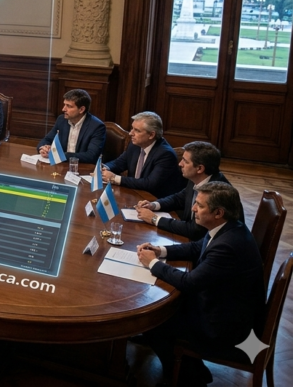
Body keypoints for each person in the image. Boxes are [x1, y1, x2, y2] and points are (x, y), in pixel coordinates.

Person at [136, 182, 263, 385]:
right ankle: (189, 370)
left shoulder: (227, 246)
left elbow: (190, 282)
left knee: (156, 322)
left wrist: (152, 263)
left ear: (218, 212)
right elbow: (197, 248)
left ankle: (189, 377)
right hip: (222, 305)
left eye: (200, 205)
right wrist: (160, 251)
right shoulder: (228, 228)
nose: (193, 208)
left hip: (222, 325)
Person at [136, 141, 236, 240]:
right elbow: (179, 198)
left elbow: (194, 231)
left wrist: (154, 219)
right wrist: (154, 205)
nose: (180, 164)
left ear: (199, 168)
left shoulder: (216, 192)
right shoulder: (196, 178)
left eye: (185, 161)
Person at [101, 111, 186, 199]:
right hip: (133, 195)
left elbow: (149, 184)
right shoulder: (135, 145)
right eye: (132, 128)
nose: (131, 133)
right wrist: (105, 167)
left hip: (154, 201)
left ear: (151, 135)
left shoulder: (165, 154)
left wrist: (115, 178)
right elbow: (119, 163)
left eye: (137, 130)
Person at [36, 89, 106, 164]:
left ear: (81, 109)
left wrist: (60, 155)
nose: (63, 109)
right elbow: (47, 139)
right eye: (64, 105)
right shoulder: (61, 120)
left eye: (69, 106)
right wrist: (43, 148)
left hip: (83, 168)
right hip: (62, 166)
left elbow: (91, 155)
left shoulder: (97, 126)